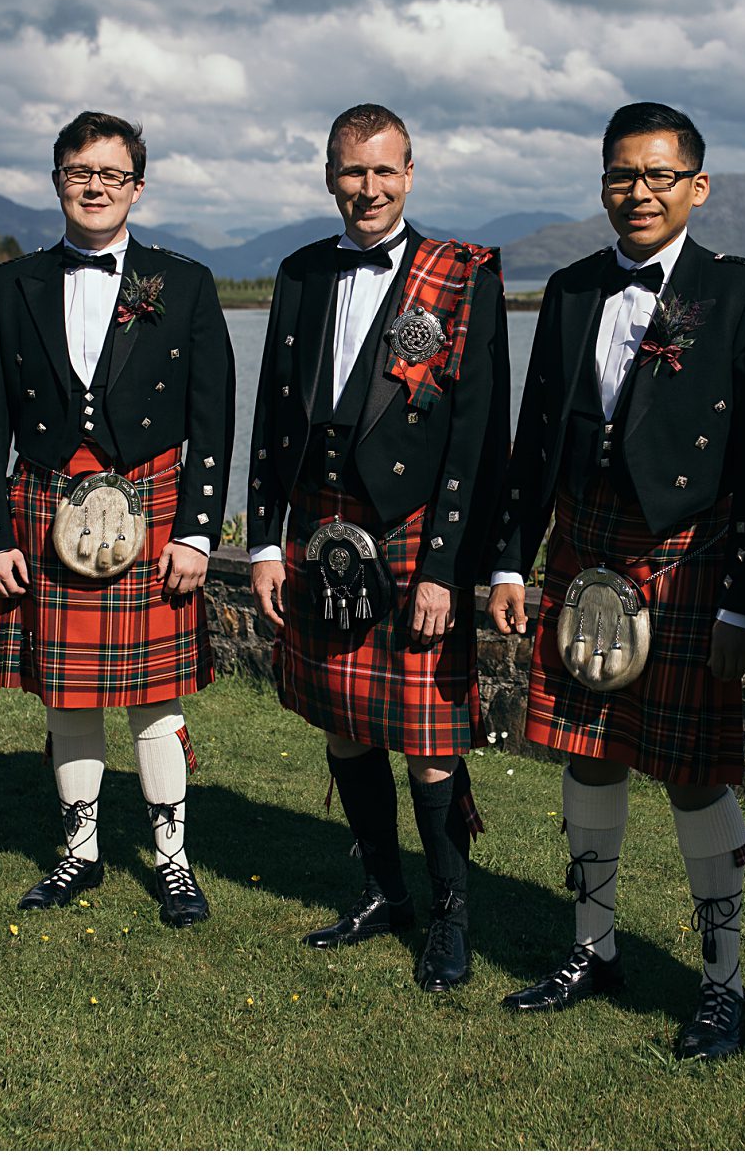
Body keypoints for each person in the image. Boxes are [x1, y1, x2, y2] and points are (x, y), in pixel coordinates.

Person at [488, 101, 745, 1060]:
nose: (639, 192)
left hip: (690, 558)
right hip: (585, 546)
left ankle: (724, 982)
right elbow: (537, 434)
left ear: (696, 187)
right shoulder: (572, 287)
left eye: (659, 175)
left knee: (692, 770)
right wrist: (513, 554)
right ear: (601, 185)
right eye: (622, 175)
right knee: (587, 752)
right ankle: (594, 948)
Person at [247, 103, 509, 991]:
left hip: (406, 537)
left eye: (384, 171)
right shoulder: (299, 271)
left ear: (410, 174)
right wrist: (264, 542)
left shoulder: (461, 276)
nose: (368, 188)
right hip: (319, 531)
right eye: (352, 171)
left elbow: (476, 438)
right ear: (329, 174)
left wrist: (445, 569)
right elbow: (275, 416)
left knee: (429, 735)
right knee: (345, 725)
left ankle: (448, 913)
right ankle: (377, 890)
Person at [0, 111, 233, 928]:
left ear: (136, 187)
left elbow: (214, 413)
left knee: (156, 700)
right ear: (57, 180)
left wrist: (195, 531)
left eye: (111, 175)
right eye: (79, 171)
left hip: (150, 505)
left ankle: (174, 862)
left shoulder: (183, 282)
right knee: (67, 697)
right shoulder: (9, 286)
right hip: (44, 504)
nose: (94, 186)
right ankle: (79, 856)